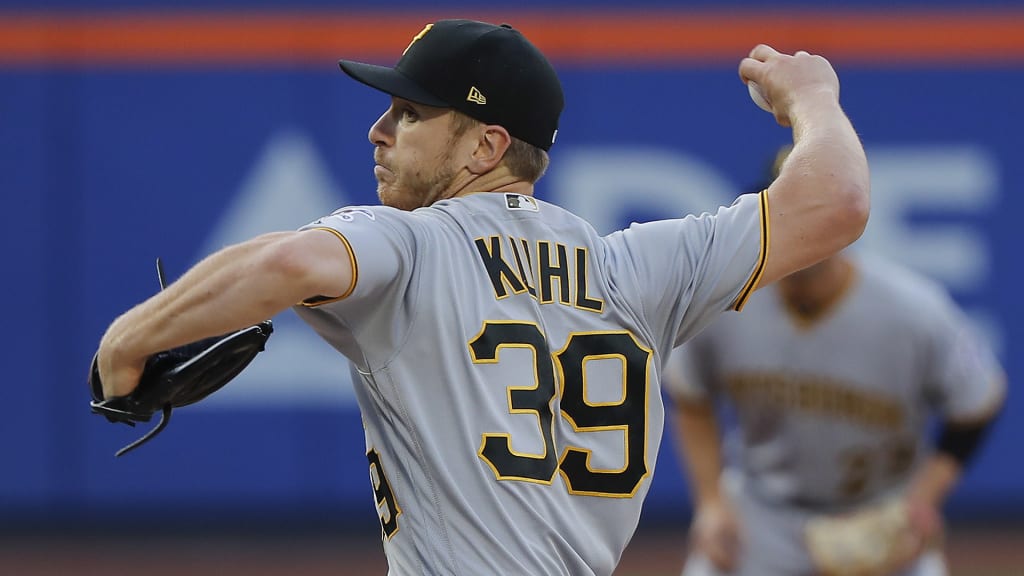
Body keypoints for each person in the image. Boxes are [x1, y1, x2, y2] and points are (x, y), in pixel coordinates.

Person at [93, 19, 869, 576]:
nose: (378, 129)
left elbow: (292, 261)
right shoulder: (636, 270)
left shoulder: (414, 243)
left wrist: (128, 343)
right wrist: (814, 97)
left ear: (485, 146)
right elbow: (835, 200)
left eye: (410, 112)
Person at [664, 146, 1006, 576]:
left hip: (879, 515)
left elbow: (978, 403)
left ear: (840, 225)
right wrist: (711, 503)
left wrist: (921, 501)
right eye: (783, 215)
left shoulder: (914, 311)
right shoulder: (726, 301)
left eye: (810, 214)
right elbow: (689, 394)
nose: (796, 230)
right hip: (762, 515)